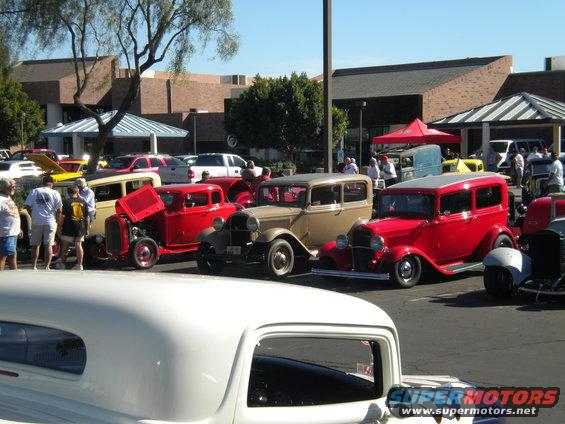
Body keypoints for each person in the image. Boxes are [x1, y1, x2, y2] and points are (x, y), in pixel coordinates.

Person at [24, 175, 62, 270]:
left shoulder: (35, 191)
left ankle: (34, 266)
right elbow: (59, 210)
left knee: (35, 245)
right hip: (50, 221)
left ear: (42, 182)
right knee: (48, 245)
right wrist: (57, 220)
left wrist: (33, 215)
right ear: (52, 184)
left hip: (37, 221)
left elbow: (28, 206)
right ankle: (47, 266)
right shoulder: (55, 193)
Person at [54, 186, 90, 270]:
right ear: (77, 192)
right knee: (78, 244)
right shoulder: (83, 202)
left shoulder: (66, 201)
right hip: (81, 227)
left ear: (68, 193)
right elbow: (87, 217)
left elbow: (63, 216)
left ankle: (62, 264)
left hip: (68, 226)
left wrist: (59, 226)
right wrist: (87, 229)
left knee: (65, 245)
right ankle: (80, 265)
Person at [0, 178, 23, 271]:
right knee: (3, 256)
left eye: (14, 186)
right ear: (2, 187)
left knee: (12, 254)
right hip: (5, 232)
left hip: (12, 232)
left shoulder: (7, 197)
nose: (13, 188)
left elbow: (13, 214)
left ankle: (14, 274)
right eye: (11, 187)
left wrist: (19, 229)